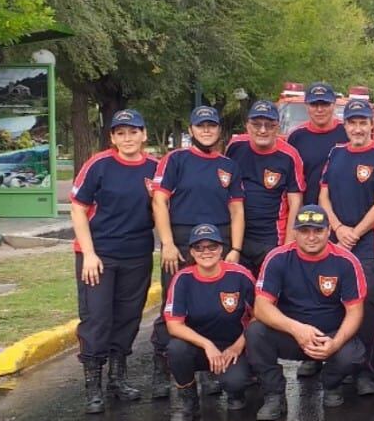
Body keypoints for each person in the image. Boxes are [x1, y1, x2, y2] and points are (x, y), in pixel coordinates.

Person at [149, 105, 244, 399]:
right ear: (191, 130)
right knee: (173, 306)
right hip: (180, 240)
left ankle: (211, 369)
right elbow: (159, 201)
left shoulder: (228, 165)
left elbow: (237, 209)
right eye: (201, 125)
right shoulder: (175, 160)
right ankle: (165, 368)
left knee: (215, 305)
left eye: (212, 125)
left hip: (219, 240)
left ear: (219, 130)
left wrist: (236, 249)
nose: (206, 130)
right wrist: (166, 243)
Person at [69, 109, 158, 414]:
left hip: (137, 253)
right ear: (112, 138)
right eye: (120, 133)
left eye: (133, 132)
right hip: (99, 255)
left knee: (128, 317)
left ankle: (117, 378)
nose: (127, 138)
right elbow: (78, 208)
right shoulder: (99, 165)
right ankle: (92, 386)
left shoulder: (155, 168)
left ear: (144, 134)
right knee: (97, 319)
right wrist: (89, 253)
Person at [244, 205, 368, 418]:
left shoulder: (347, 261)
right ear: (294, 232)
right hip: (291, 335)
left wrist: (335, 343)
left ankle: (331, 384)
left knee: (352, 354)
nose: (311, 237)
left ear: (329, 231)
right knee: (255, 332)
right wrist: (296, 329)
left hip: (329, 335)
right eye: (304, 231)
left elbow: (355, 312)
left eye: (318, 230)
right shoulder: (277, 258)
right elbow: (262, 308)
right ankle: (274, 395)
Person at [319, 98, 374, 396]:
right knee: (335, 300)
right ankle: (338, 363)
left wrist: (355, 232)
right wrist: (338, 228)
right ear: (345, 125)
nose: (358, 128)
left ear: (371, 125)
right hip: (336, 239)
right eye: (352, 123)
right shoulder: (336, 153)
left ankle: (366, 368)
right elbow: (323, 195)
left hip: (370, 244)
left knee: (366, 303)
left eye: (363, 122)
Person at [163, 224, 256, 421]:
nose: (206, 252)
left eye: (212, 246)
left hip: (233, 347)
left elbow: (260, 315)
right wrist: (207, 345)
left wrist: (238, 346)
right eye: (200, 247)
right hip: (199, 348)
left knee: (236, 382)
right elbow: (174, 325)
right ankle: (189, 400)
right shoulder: (182, 279)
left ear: (221, 248)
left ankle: (236, 391)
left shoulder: (240, 275)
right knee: (176, 348)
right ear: (192, 252)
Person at [286, 82, 348, 379]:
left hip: (342, 222)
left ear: (334, 104)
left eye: (325, 103)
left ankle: (339, 352)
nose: (320, 109)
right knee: (309, 290)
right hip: (308, 226)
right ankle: (310, 352)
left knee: (337, 292)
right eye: (314, 104)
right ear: (307, 106)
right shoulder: (297, 137)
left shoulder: (345, 132)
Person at [226, 99, 305, 273]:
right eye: (256, 124)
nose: (262, 130)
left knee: (269, 296)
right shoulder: (235, 147)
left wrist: (288, 246)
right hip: (238, 238)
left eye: (269, 125)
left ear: (278, 127)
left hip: (272, 240)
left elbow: (295, 204)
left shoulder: (289, 156)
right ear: (247, 125)